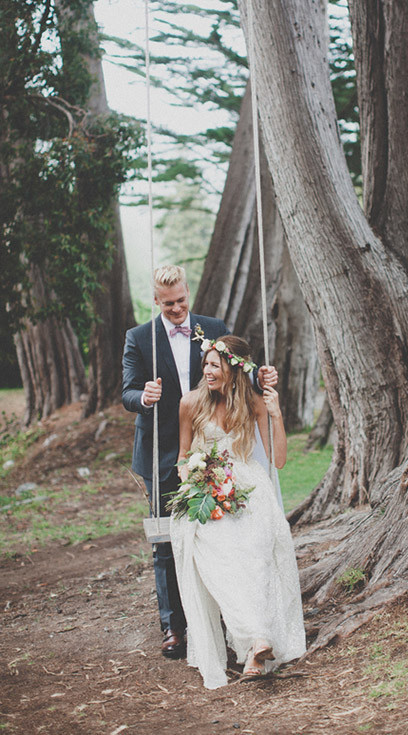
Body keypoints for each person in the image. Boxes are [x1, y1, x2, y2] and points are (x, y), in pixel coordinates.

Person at [122, 265, 277, 659]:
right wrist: (145, 396)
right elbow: (126, 392)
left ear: (188, 293)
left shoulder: (212, 326)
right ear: (155, 300)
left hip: (215, 452)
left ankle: (228, 618)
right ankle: (173, 625)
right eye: (168, 303)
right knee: (167, 542)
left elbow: (237, 376)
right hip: (163, 453)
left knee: (222, 536)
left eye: (181, 301)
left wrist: (263, 378)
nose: (176, 309)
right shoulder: (140, 338)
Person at [170, 335, 306, 689]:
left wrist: (275, 413)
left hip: (249, 490)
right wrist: (195, 477)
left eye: (215, 364)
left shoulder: (256, 404)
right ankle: (256, 638)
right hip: (207, 493)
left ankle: (256, 649)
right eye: (206, 364)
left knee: (254, 552)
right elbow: (183, 456)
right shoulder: (190, 404)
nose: (208, 370)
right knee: (220, 554)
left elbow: (278, 460)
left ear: (233, 369)